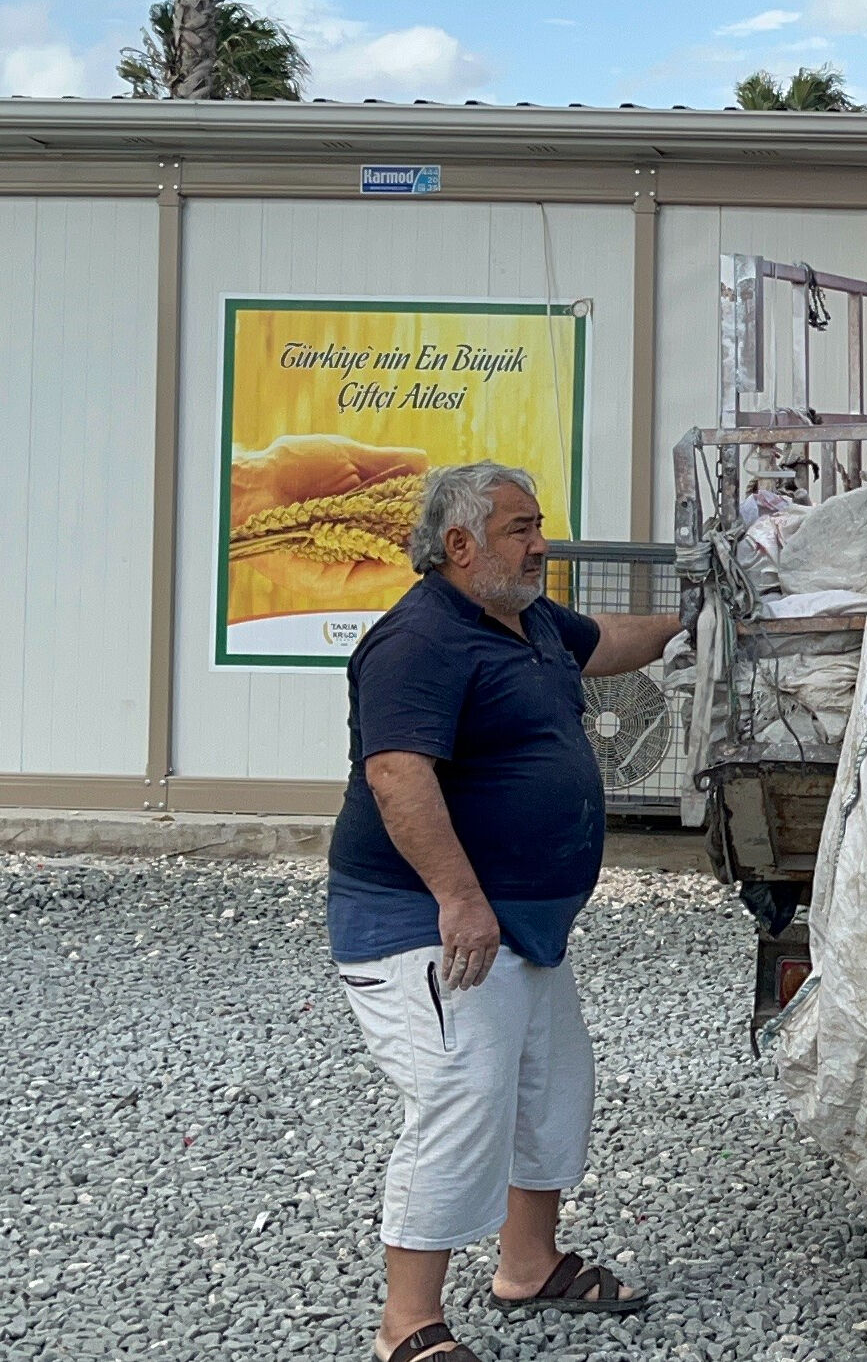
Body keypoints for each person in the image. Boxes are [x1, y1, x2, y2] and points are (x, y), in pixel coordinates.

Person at [326, 461, 686, 1362]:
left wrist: (698, 621)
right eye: (522, 528)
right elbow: (396, 772)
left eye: (537, 524)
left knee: (551, 1088)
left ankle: (527, 1264)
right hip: (429, 921)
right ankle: (407, 1326)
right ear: (460, 546)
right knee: (463, 1094)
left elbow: (605, 641)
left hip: (525, 922)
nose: (541, 543)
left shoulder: (526, 619)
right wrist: (459, 896)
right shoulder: (417, 642)